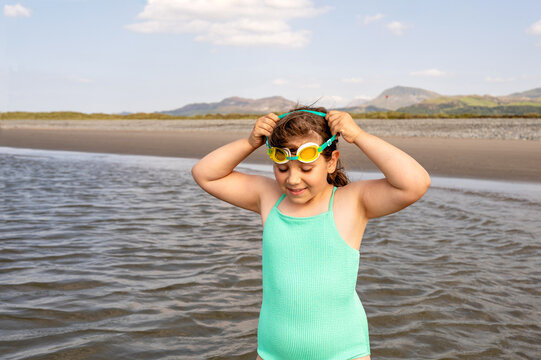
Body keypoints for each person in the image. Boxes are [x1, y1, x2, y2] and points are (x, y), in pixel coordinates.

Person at [191, 107, 431, 360]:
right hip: (273, 352)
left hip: (343, 353)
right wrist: (249, 143)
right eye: (282, 169)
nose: (293, 180)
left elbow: (415, 183)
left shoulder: (352, 201)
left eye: (306, 169)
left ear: (331, 161)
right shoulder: (268, 196)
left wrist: (358, 135)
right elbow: (205, 174)